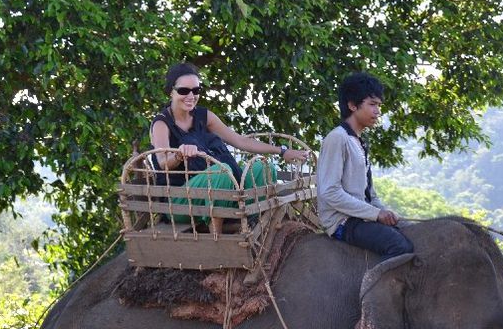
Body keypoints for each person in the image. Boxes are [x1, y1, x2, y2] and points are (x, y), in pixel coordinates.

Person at [150, 63, 309, 234]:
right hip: (182, 201)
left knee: (263, 167)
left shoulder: (204, 116)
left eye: (196, 90)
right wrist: (180, 155)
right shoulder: (162, 123)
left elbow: (240, 141)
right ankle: (216, 235)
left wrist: (283, 151)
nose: (191, 96)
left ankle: (251, 221)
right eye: (184, 91)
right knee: (221, 171)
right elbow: (163, 162)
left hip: (220, 192)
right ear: (171, 91)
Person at [317, 72, 413, 259]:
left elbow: (369, 192)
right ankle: (374, 288)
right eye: (372, 104)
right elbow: (329, 192)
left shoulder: (358, 141)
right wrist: (376, 214)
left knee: (412, 230)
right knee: (399, 246)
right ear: (352, 105)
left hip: (360, 217)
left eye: (378, 105)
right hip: (343, 222)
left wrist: (384, 211)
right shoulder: (338, 138)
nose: (377, 111)